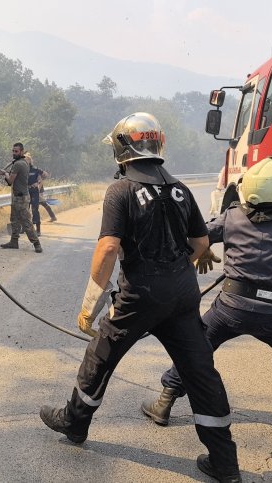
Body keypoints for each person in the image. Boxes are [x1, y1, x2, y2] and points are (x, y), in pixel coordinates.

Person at [39, 113, 242, 482]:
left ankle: (74, 422)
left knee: (101, 355)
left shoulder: (121, 190)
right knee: (200, 372)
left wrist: (89, 306)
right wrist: (194, 259)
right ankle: (225, 463)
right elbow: (199, 244)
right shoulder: (181, 188)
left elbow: (108, 248)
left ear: (122, 147)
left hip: (140, 294)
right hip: (182, 293)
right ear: (157, 144)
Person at [140, 158, 272, 439]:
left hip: (230, 308)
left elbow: (197, 233)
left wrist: (203, 249)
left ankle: (164, 402)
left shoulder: (232, 217)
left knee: (195, 349)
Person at [0, 142, 42, 253]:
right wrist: (9, 173)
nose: (14, 153)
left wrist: (5, 174)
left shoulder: (18, 164)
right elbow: (16, 176)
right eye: (13, 151)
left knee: (26, 222)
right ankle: (14, 241)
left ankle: (37, 244)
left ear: (21, 152)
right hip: (19, 196)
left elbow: (10, 181)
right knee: (14, 220)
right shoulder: (24, 162)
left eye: (16, 151)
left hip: (21, 198)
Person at [25, 152, 57, 235]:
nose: (25, 162)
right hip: (25, 192)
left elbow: (44, 175)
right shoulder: (22, 170)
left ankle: (38, 230)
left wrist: (38, 183)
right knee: (25, 210)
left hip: (35, 192)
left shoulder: (35, 169)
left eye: (26, 160)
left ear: (30, 161)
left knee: (35, 209)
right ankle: (26, 229)